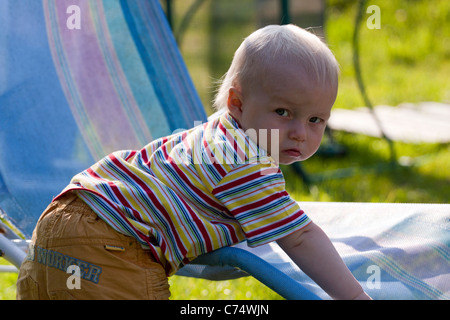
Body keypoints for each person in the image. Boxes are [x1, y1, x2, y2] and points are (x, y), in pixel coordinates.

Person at [16, 24, 371, 300]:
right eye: (283, 112)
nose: (299, 133)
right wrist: (354, 294)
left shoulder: (213, 136)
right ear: (237, 103)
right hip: (114, 244)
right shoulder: (246, 163)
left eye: (315, 120)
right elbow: (301, 238)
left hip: (58, 225)